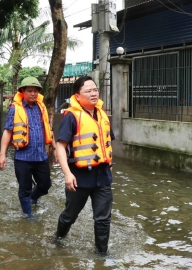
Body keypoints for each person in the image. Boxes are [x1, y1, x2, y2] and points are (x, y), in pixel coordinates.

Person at [54, 76, 114, 254]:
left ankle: (102, 254)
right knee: (70, 215)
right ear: (77, 96)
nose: (94, 93)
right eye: (88, 91)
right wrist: (67, 174)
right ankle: (57, 238)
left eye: (95, 90)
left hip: (102, 175)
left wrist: (110, 164)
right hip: (78, 177)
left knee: (103, 219)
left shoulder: (102, 115)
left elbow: (109, 142)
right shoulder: (71, 117)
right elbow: (60, 145)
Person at [0, 77, 57, 218]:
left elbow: (48, 129)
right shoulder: (15, 109)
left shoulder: (41, 108)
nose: (33, 94)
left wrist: (55, 149)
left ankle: (33, 198)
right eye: (30, 91)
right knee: (25, 188)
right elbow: (8, 131)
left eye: (36, 91)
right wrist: (2, 154)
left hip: (41, 156)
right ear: (22, 91)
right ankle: (28, 215)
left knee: (45, 185)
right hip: (23, 157)